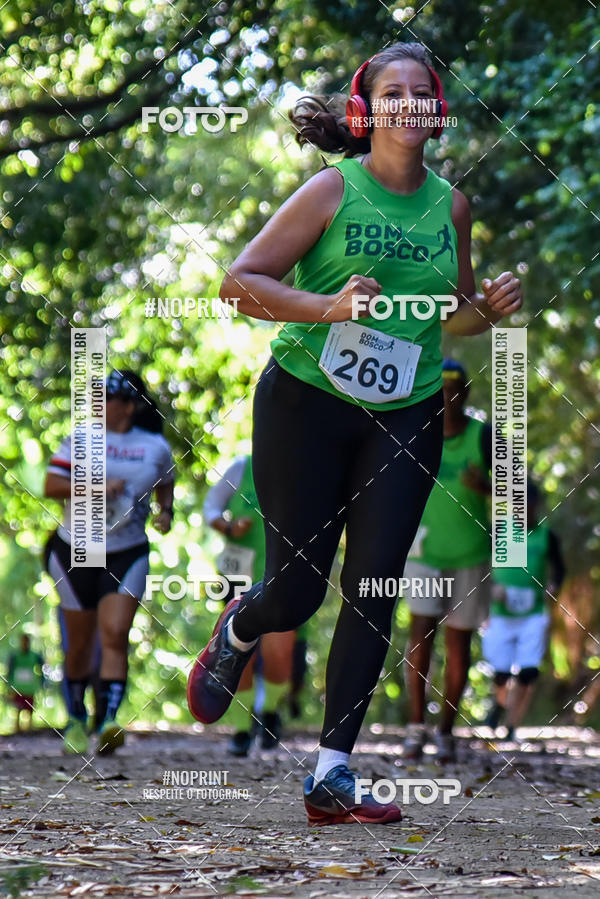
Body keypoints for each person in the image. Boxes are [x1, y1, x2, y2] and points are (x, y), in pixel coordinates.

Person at [187, 41, 523, 825]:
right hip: (305, 400)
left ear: (436, 109)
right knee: (299, 591)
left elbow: (455, 315)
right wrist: (330, 306)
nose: (409, 102)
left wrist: (491, 311)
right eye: (392, 91)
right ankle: (238, 628)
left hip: (404, 410)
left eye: (422, 91)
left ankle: (332, 770)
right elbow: (241, 284)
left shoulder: (453, 206)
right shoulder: (332, 190)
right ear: (368, 110)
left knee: (374, 585)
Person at [44, 370, 175, 755]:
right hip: (75, 550)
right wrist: (98, 487)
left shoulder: (154, 446)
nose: (98, 404)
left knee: (115, 633)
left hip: (126, 551)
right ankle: (75, 720)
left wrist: (166, 511)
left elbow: (166, 481)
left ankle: (109, 723)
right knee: (80, 644)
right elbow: (51, 487)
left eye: (107, 398)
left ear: (128, 406)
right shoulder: (80, 439)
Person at [402, 358, 492, 763]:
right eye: (438, 390)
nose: (446, 398)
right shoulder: (416, 433)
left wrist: (487, 487)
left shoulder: (485, 437)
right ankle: (416, 727)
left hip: (470, 556)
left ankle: (446, 732)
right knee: (420, 636)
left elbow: (523, 498)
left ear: (465, 394)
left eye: (453, 390)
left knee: (459, 644)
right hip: (423, 553)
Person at [203, 454, 296, 755]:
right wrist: (227, 527)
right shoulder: (242, 467)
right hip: (238, 575)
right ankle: (241, 729)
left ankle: (269, 712)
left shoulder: (303, 463)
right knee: (239, 651)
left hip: (283, 573)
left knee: (279, 652)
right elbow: (211, 506)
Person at [483, 482, 565, 740]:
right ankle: (499, 703)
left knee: (528, 671)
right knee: (501, 672)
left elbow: (559, 569)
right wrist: (490, 588)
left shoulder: (547, 536)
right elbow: (480, 565)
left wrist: (553, 587)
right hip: (501, 612)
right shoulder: (498, 531)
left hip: (533, 612)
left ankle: (512, 726)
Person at [6, 634, 44, 732]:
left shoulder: (35, 656)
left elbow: (42, 670)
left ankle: (29, 727)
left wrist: (42, 684)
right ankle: (17, 728)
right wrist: (8, 686)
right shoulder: (15, 656)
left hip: (30, 688)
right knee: (18, 708)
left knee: (30, 708)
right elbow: (9, 671)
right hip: (18, 688)